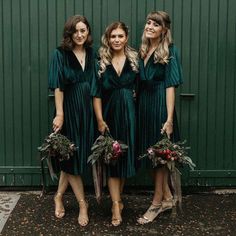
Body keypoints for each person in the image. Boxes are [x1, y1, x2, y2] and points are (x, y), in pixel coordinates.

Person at [137, 11, 183, 224]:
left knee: (160, 158)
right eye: (148, 23)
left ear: (164, 30)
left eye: (156, 24)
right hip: (143, 108)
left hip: (160, 108)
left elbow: (170, 86)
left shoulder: (170, 51)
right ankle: (166, 198)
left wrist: (169, 118)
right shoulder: (143, 50)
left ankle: (156, 204)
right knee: (151, 156)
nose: (150, 27)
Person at [48, 15, 95, 226]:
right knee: (71, 157)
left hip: (88, 111)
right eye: (75, 31)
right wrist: (60, 113)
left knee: (74, 157)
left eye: (83, 30)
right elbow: (58, 85)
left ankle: (58, 196)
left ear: (88, 32)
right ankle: (82, 203)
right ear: (69, 33)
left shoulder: (92, 53)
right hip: (69, 109)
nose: (79, 35)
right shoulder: (60, 54)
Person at [91, 22, 138, 226]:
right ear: (107, 39)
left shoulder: (135, 60)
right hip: (108, 116)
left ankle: (116, 202)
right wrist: (100, 120)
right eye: (113, 36)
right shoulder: (101, 61)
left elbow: (142, 89)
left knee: (124, 158)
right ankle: (116, 205)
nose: (117, 40)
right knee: (111, 159)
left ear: (126, 37)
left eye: (120, 36)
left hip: (129, 115)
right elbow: (96, 94)